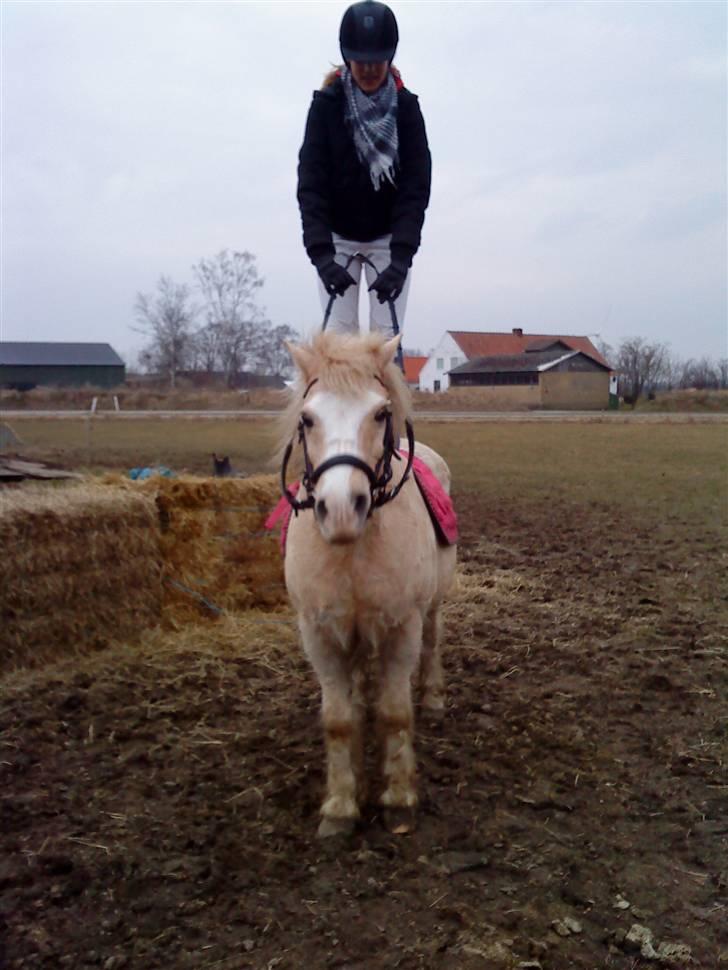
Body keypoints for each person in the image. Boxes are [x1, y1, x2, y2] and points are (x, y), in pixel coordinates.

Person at [297, 0, 431, 345]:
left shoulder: (408, 109)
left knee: (385, 342)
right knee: (339, 342)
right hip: (337, 238)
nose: (369, 68)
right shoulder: (325, 106)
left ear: (389, 57)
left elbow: (415, 188)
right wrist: (322, 257)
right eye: (361, 60)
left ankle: (388, 400)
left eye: (377, 60)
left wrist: (401, 259)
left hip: (387, 239)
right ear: (347, 57)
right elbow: (311, 184)